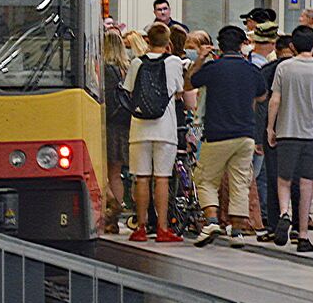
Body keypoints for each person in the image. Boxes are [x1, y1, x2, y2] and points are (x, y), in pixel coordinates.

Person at [187, 25, 268, 247]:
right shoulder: (252, 70)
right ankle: (238, 232)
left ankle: (212, 220)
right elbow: (262, 97)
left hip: (217, 134)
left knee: (205, 179)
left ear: (219, 46)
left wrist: (200, 60)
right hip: (245, 134)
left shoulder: (213, 68)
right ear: (243, 44)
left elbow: (189, 83)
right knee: (240, 182)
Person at [267, 26, 313, 252]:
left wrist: (270, 127)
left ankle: (284, 213)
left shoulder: (284, 68)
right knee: (307, 184)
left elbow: (275, 100)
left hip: (287, 132)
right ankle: (303, 235)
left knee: (284, 179)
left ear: (292, 46)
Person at [123, 23, 186, 243]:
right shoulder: (174, 62)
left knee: (141, 178)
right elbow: (179, 92)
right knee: (162, 179)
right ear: (168, 43)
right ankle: (162, 228)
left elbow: (128, 91)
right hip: (165, 128)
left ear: (147, 40)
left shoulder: (136, 63)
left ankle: (140, 227)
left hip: (139, 127)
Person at [257, 34, 297, 240]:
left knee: (274, 177)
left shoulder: (267, 70)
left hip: (273, 131)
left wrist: (260, 134)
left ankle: (274, 224)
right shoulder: (306, 69)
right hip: (302, 131)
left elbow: (262, 104)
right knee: (300, 178)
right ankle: (300, 225)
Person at [103, 29, 132, 233]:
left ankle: (112, 210)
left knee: (106, 172)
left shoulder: (105, 69)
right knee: (117, 173)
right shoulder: (128, 68)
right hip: (126, 125)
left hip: (110, 125)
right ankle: (117, 214)